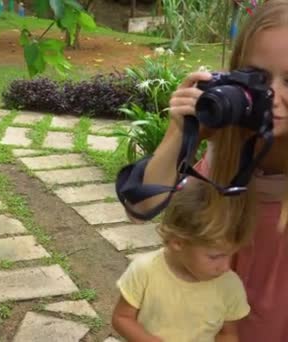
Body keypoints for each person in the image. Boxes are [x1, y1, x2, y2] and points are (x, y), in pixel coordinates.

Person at [116, 1, 288, 340]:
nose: (273, 96)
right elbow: (142, 209)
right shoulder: (229, 143)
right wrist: (181, 133)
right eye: (259, 78)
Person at [112, 180, 252, 342]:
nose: (225, 267)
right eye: (215, 256)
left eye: (231, 254)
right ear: (178, 242)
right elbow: (122, 318)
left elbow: (227, 334)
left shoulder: (229, 285)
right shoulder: (144, 270)